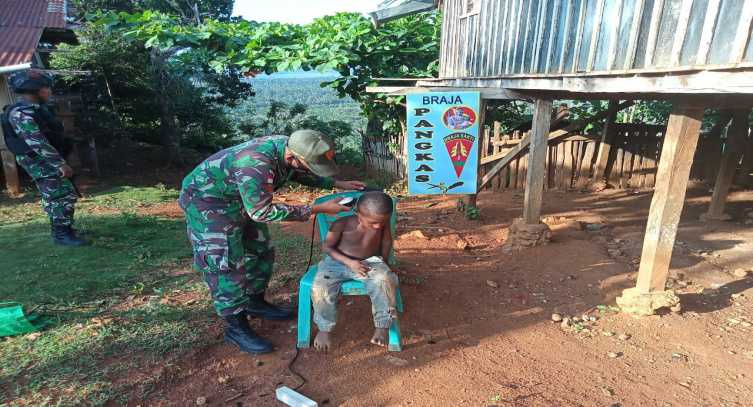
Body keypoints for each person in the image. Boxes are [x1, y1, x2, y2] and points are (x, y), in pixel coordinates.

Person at [179, 130, 364, 355]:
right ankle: (236, 327)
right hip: (208, 203)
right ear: (292, 157)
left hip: (242, 200)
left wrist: (338, 183)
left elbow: (297, 172)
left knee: (261, 250)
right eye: (308, 164)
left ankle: (255, 303)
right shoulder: (254, 163)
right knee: (225, 263)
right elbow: (261, 211)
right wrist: (316, 209)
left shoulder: (291, 148)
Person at [0, 70, 86, 246]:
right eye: (46, 88)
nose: (49, 91)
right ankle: (61, 234)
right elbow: (37, 142)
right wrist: (60, 164)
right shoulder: (21, 114)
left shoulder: (36, 109)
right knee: (60, 195)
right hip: (40, 160)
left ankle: (65, 229)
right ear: (34, 90)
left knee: (61, 193)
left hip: (46, 158)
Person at [311, 191, 399, 352]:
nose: (378, 226)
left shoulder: (382, 224)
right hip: (337, 262)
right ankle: (324, 329)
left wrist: (385, 263)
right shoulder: (341, 224)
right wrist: (349, 262)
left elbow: (386, 241)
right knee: (321, 287)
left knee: (385, 280)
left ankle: (382, 326)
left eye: (383, 222)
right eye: (373, 223)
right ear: (358, 213)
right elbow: (327, 247)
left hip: (369, 261)